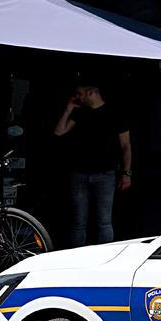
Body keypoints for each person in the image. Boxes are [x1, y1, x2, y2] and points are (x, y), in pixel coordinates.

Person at [52, 77, 131, 247]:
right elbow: (59, 132)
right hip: (80, 172)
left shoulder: (114, 113)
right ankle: (77, 255)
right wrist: (68, 109)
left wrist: (127, 172)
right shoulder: (81, 113)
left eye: (80, 94)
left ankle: (105, 256)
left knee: (104, 221)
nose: (78, 97)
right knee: (78, 221)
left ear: (91, 93)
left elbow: (126, 146)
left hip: (105, 172)